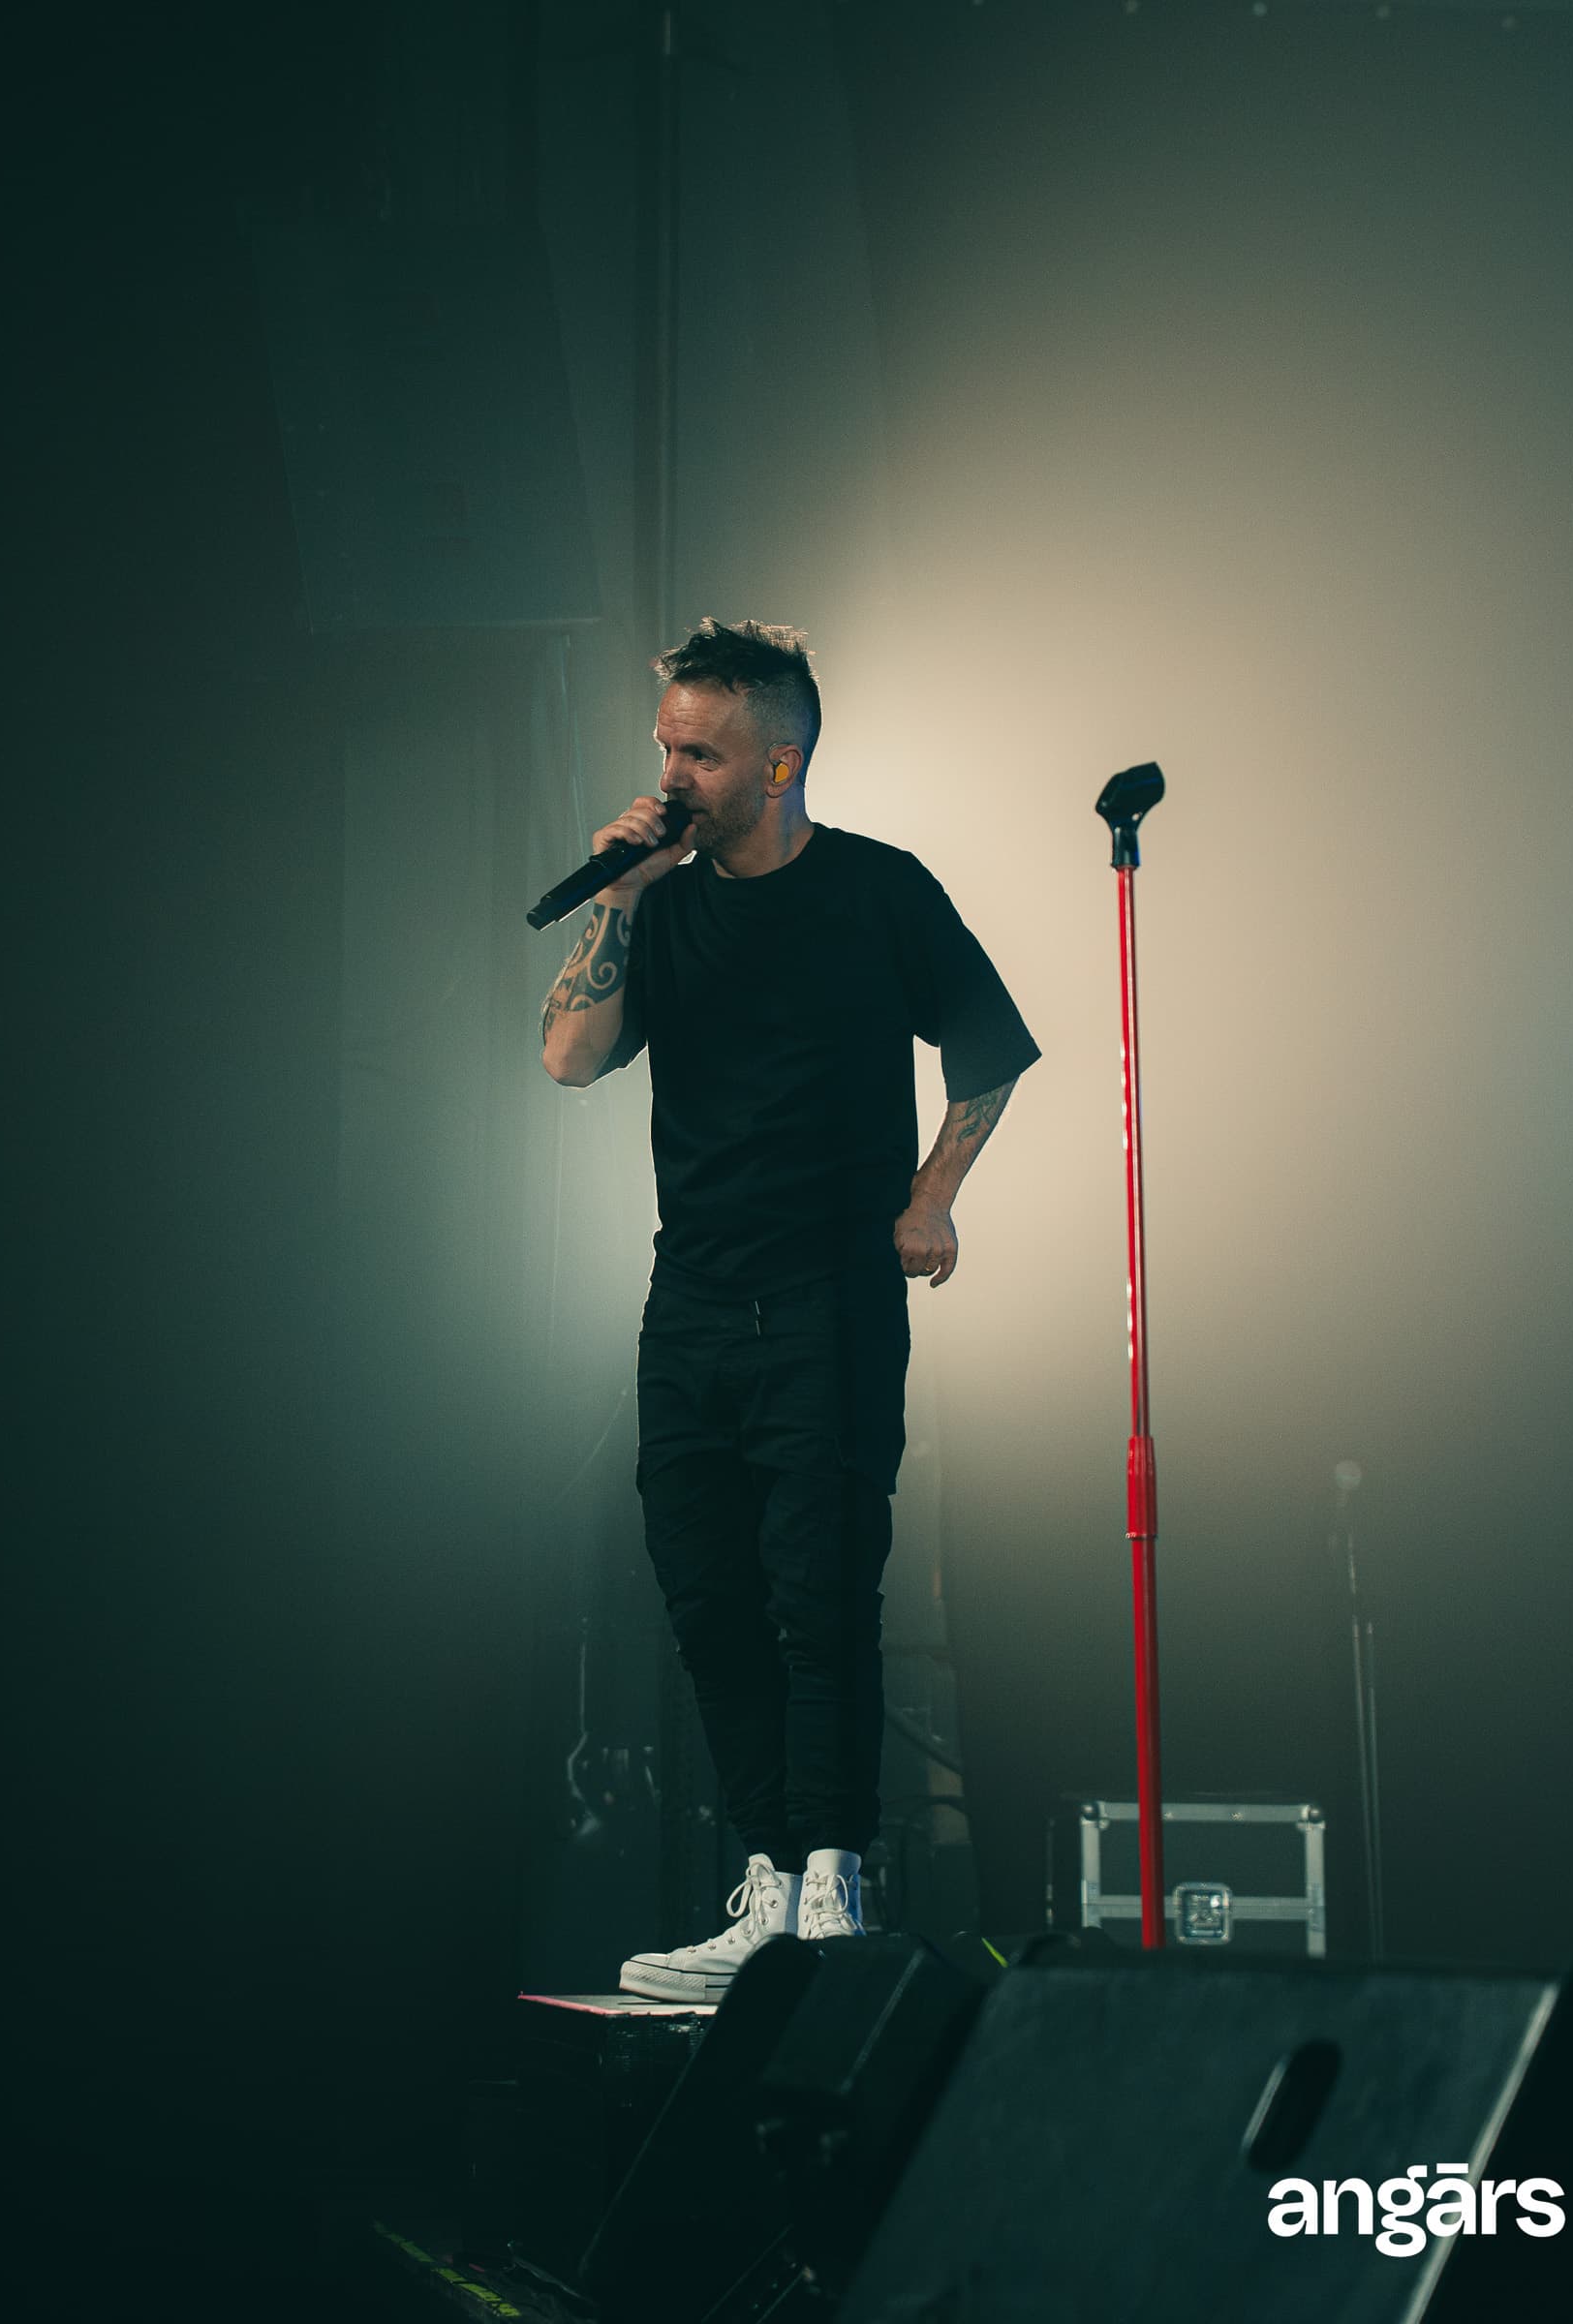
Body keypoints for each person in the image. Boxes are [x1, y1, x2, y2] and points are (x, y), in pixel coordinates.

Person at [540, 618, 1040, 2001]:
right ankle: (766, 1883)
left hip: (827, 1301)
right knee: (710, 1601)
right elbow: (569, 1058)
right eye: (665, 748)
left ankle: (833, 1886)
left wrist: (933, 1198)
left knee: (821, 1598)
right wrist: (618, 898)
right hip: (691, 1302)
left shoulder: (878, 889)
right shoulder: (661, 903)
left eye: (701, 754)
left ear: (779, 763)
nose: (672, 775)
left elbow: (990, 1051)